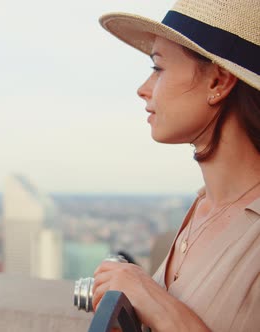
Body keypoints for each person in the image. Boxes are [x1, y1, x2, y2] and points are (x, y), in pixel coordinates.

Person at [92, 0, 260, 331]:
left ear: (218, 83)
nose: (143, 89)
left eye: (158, 68)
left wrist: (147, 295)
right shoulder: (202, 207)